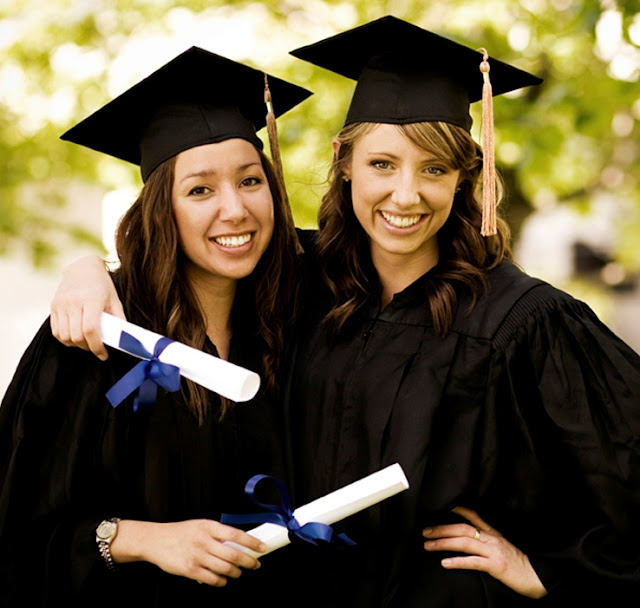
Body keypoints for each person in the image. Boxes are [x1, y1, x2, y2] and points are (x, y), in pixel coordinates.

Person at [47, 16, 640, 607]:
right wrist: (88, 269)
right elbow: (197, 254)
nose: (405, 195)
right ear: (344, 160)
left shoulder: (522, 321)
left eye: (433, 168)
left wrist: (544, 571)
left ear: (466, 177)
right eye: (383, 164)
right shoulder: (303, 284)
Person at [0, 46, 311, 607]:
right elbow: (18, 527)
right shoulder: (94, 337)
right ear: (160, 207)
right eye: (199, 190)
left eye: (250, 181)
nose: (235, 210)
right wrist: (142, 540)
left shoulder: (303, 309)